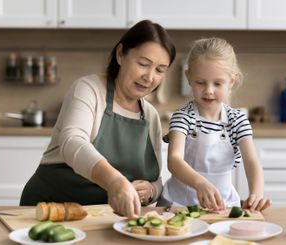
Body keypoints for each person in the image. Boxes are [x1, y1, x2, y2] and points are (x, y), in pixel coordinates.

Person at [20, 20, 176, 219]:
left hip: (104, 219)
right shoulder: (88, 89)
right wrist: (114, 181)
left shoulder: (151, 116)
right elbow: (72, 142)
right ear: (120, 54)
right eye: (143, 64)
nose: (150, 77)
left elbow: (155, 179)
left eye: (160, 70)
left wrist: (152, 190)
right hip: (51, 210)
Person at [158, 37, 271, 212]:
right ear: (188, 77)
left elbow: (252, 162)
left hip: (223, 205)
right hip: (179, 205)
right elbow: (174, 160)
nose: (209, 90)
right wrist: (201, 184)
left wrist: (256, 193)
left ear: (231, 81)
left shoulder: (237, 120)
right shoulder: (183, 117)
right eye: (200, 82)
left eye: (217, 83)